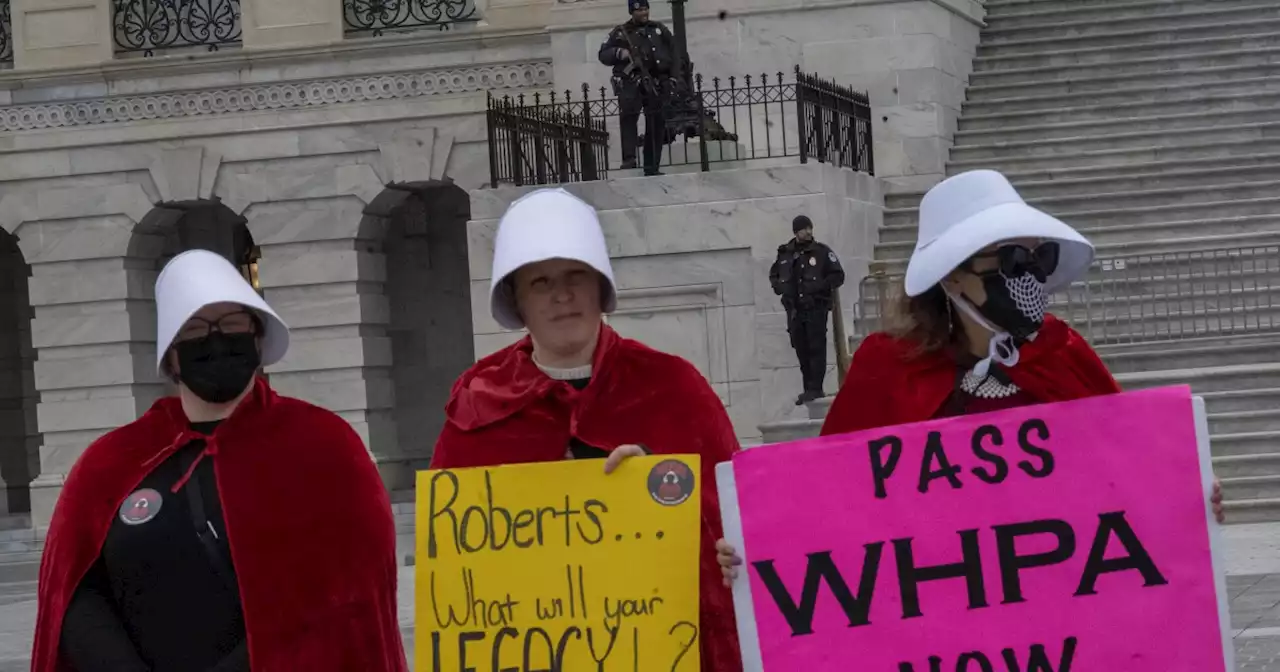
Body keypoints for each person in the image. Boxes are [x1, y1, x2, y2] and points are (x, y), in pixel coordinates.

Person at [717, 169, 1224, 583]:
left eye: (1037, 257)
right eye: (1010, 259)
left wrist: (1187, 495)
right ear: (954, 274)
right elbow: (827, 496)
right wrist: (754, 547)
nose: (1027, 274)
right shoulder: (890, 365)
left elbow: (1127, 473)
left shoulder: (1062, 353)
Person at [32, 249, 407, 672]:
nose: (215, 340)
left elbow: (349, 592)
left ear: (257, 336)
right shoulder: (110, 463)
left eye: (231, 324)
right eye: (194, 330)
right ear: (171, 357)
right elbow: (75, 591)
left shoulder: (325, 446)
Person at [430, 187, 744, 672]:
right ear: (517, 300)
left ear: (600, 287)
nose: (562, 295)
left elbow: (736, 519)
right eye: (541, 282)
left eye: (576, 276)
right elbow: (458, 573)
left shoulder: (673, 387)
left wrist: (674, 509)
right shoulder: (479, 410)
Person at [598, 0, 682, 176]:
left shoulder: (658, 30)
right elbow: (603, 54)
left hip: (656, 82)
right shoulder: (621, 32)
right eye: (639, 10)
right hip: (631, 83)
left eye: (645, 9)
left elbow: (675, 53)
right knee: (629, 118)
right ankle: (629, 160)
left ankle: (652, 165)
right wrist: (619, 53)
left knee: (656, 122)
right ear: (632, 12)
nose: (644, 13)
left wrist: (673, 77)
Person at [769, 215, 845, 405]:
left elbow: (838, 275)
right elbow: (774, 274)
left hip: (815, 309)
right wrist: (778, 286)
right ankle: (807, 388)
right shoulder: (785, 253)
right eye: (804, 229)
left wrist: (820, 286)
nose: (809, 232)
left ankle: (816, 388)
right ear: (796, 232)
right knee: (801, 348)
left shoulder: (821, 252)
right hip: (794, 311)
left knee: (816, 347)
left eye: (810, 228)